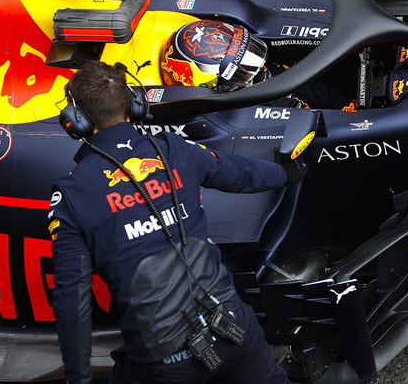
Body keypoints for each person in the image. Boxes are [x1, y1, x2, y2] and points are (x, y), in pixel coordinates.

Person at [50, 60, 299, 384]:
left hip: (162, 364)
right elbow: (240, 172)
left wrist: (77, 379)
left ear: (76, 120)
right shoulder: (174, 149)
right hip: (236, 332)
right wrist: (286, 173)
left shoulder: (71, 195)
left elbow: (73, 300)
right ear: (135, 105)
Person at [160, 19, 408, 109]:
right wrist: (394, 90)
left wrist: (398, 53)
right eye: (244, 68)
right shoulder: (247, 114)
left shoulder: (268, 68)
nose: (259, 65)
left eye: (252, 51)